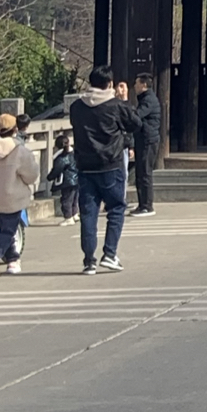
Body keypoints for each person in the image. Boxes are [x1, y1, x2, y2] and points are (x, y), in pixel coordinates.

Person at [68, 65, 141, 273]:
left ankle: (89, 260)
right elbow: (135, 124)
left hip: (85, 167)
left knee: (88, 213)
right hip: (111, 164)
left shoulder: (77, 107)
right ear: (109, 83)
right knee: (116, 208)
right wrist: (124, 102)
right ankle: (109, 254)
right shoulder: (116, 106)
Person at [0, 112, 39, 276]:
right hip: (14, 196)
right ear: (15, 130)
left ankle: (13, 260)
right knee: (8, 231)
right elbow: (32, 174)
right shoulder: (19, 150)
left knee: (6, 228)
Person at [130, 77, 161, 216]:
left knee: (145, 172)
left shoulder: (148, 100)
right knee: (141, 172)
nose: (134, 86)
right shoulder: (144, 99)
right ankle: (142, 204)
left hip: (148, 140)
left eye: (136, 83)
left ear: (143, 85)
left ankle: (147, 206)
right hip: (143, 140)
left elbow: (137, 115)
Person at [49, 138, 78, 218]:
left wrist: (50, 177)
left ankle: (68, 217)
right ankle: (74, 214)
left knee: (66, 199)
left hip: (67, 181)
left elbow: (57, 169)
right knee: (74, 199)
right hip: (77, 179)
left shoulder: (61, 157)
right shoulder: (74, 153)